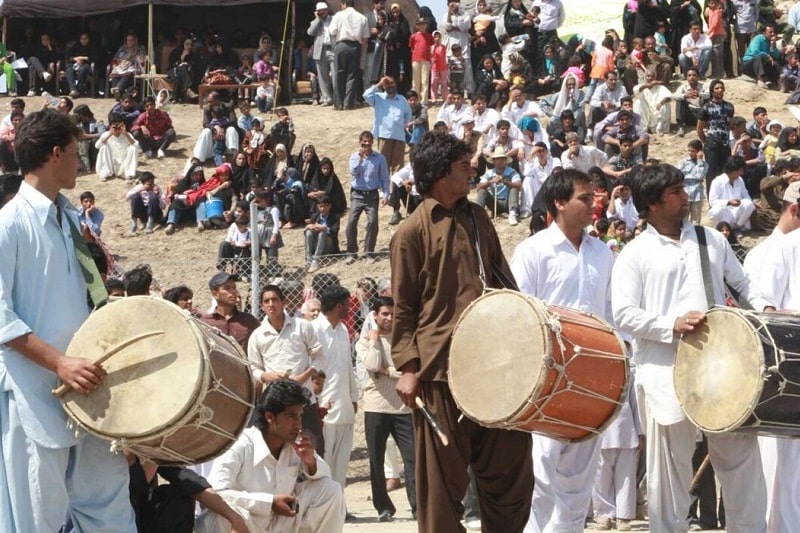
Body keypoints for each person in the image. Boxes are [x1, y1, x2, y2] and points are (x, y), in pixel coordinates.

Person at [612, 163, 768, 533]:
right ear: (652, 203)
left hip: (723, 370)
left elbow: (744, 285)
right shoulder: (635, 253)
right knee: (668, 473)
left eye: (684, 189)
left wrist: (766, 308)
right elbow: (623, 314)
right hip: (665, 373)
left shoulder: (710, 239)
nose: (686, 197)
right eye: (676, 192)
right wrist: (671, 325)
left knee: (742, 462)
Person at [0, 108, 136, 532]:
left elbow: (90, 296)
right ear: (55, 154)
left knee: (111, 512)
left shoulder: (71, 219)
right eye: (77, 152)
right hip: (34, 396)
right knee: (35, 519)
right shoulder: (8, 225)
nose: (81, 161)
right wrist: (60, 363)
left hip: (89, 390)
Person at [390, 131, 534, 532]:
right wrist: (408, 368)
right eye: (462, 165)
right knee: (441, 486)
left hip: (495, 365)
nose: (473, 169)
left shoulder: (479, 218)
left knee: (512, 471)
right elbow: (404, 308)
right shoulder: (411, 232)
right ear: (440, 174)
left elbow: (504, 282)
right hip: (439, 371)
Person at [509, 168, 614, 533]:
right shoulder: (533, 251)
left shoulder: (602, 253)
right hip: (546, 380)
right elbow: (519, 313)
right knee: (541, 474)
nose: (594, 204)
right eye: (584, 198)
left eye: (594, 196)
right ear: (559, 202)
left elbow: (611, 313)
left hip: (593, 378)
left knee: (578, 481)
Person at [196, 379, 346, 532]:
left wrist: (310, 461)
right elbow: (216, 494)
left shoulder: (294, 446)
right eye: (292, 416)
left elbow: (325, 479)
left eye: (300, 416)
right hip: (246, 525)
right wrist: (269, 503)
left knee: (331, 490)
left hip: (280, 525)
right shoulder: (242, 444)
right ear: (270, 417)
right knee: (220, 516)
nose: (298, 424)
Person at [355, 295, 416, 522]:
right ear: (375, 315)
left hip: (403, 409)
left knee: (412, 458)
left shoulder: (403, 341)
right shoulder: (364, 342)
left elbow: (408, 371)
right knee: (376, 460)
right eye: (384, 314)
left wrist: (388, 371)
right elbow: (372, 364)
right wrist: (374, 340)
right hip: (376, 407)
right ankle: (384, 507)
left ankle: (417, 505)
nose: (389, 318)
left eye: (392, 314)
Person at [247, 284, 326, 456]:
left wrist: (304, 377)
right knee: (276, 453)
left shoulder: (302, 327)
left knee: (314, 450)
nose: (271, 304)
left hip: (305, 400)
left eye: (274, 299)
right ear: (261, 306)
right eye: (266, 301)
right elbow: (253, 368)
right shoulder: (257, 335)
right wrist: (267, 376)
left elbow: (319, 357)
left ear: (283, 302)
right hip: (276, 405)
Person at [311, 285, 357, 518]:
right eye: (347, 304)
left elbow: (347, 365)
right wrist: (317, 401)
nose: (350, 308)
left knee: (341, 460)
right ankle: (323, 510)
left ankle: (339, 507)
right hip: (324, 407)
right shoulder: (314, 330)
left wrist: (353, 396)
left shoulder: (342, 330)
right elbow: (313, 370)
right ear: (338, 305)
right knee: (325, 460)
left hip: (344, 404)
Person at [345, 130, 390, 264]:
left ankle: (369, 252)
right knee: (351, 222)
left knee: (373, 223)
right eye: (364, 142)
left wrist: (386, 194)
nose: (367, 145)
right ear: (360, 143)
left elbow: (385, 178)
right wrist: (360, 158)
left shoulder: (380, 158)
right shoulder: (354, 157)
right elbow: (354, 172)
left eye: (369, 142)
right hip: (357, 194)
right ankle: (352, 252)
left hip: (372, 195)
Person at [199, 271, 261, 351]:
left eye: (234, 287)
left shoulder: (249, 321)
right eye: (227, 288)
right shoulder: (204, 323)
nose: (233, 291)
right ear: (215, 294)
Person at [363, 76, 411, 173]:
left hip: (399, 137)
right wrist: (380, 84)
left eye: (392, 83)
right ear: (384, 86)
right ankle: (384, 184)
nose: (390, 86)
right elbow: (366, 95)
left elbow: (408, 115)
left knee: (398, 167)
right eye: (387, 84)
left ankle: (395, 184)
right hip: (384, 136)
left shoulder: (402, 99)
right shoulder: (378, 98)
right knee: (383, 166)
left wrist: (401, 125)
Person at [329, 0, 369, 110]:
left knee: (339, 74)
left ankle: (338, 103)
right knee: (352, 75)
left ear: (344, 4)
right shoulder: (362, 17)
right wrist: (362, 53)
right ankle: (348, 103)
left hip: (341, 45)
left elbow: (332, 31)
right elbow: (365, 38)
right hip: (355, 46)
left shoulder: (338, 15)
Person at [697, 79, 734, 193]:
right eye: (717, 88)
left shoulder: (729, 106)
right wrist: (707, 142)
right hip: (712, 142)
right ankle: (711, 199)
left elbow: (731, 125)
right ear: (712, 91)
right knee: (711, 173)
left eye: (721, 88)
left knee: (725, 172)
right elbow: (699, 128)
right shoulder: (706, 107)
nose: (720, 90)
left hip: (725, 143)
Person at [476, 146, 523, 224]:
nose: (500, 161)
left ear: (505, 160)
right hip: (494, 202)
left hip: (508, 201)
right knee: (482, 191)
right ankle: (477, 215)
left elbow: (519, 186)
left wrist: (505, 182)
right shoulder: (489, 173)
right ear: (494, 161)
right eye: (497, 159)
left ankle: (513, 213)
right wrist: (490, 182)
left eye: (502, 158)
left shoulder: (512, 172)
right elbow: (479, 187)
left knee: (514, 189)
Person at [708, 155, 756, 231]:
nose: (742, 173)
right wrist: (729, 202)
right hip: (725, 213)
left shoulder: (740, 180)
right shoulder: (717, 181)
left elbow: (746, 195)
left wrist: (753, 203)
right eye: (741, 170)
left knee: (749, 204)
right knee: (715, 211)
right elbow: (712, 201)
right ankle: (723, 229)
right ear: (734, 171)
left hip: (738, 214)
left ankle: (737, 228)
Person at [194, 92, 240, 164]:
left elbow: (233, 121)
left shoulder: (228, 106)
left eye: (211, 101)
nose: (209, 103)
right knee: (206, 131)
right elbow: (205, 124)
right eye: (208, 101)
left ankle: (232, 154)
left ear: (217, 100)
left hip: (226, 132)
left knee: (231, 130)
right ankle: (199, 157)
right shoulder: (207, 108)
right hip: (213, 134)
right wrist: (216, 127)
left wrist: (222, 129)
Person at [95, 112, 138, 181]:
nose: (117, 128)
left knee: (132, 148)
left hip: (123, 165)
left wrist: (126, 134)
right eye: (114, 126)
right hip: (111, 164)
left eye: (118, 125)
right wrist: (110, 134)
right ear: (110, 126)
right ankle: (105, 173)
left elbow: (136, 146)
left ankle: (129, 174)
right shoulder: (106, 134)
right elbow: (97, 146)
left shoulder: (127, 134)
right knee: (104, 147)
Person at [131, 96, 176, 160]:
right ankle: (147, 150)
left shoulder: (162, 114)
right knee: (136, 133)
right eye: (147, 106)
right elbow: (133, 127)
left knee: (172, 132)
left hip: (161, 140)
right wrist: (141, 127)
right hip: (149, 140)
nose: (150, 107)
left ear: (154, 105)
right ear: (145, 107)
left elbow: (170, 126)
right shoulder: (142, 116)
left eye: (151, 104)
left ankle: (161, 149)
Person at [308, 1, 336, 107]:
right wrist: (317, 19)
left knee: (335, 74)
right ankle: (327, 98)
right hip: (320, 51)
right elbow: (310, 32)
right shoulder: (315, 22)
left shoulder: (334, 19)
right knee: (323, 76)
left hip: (332, 49)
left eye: (323, 10)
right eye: (319, 11)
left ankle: (336, 97)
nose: (322, 13)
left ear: (327, 10)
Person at [676, 139, 708, 224]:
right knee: (683, 219)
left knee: (696, 220)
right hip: (685, 192)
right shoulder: (683, 162)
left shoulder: (704, 164)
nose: (690, 153)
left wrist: (699, 161)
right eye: (689, 151)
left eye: (693, 151)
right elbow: (679, 176)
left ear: (699, 152)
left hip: (697, 194)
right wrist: (693, 177)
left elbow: (700, 175)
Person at [305, 195, 340, 272]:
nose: (323, 208)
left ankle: (316, 260)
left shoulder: (335, 217)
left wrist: (324, 228)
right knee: (308, 232)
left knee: (322, 232)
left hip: (329, 246)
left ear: (330, 206)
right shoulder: (315, 216)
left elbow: (334, 232)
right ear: (317, 207)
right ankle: (308, 259)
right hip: (317, 244)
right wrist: (309, 227)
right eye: (320, 206)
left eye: (325, 206)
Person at [741, 24, 781, 88]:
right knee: (758, 57)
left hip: (761, 65)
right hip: (749, 64)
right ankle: (760, 80)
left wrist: (773, 46)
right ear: (764, 33)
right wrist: (767, 55)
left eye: (773, 32)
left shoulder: (771, 41)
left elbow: (776, 56)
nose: (773, 34)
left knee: (776, 63)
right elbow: (755, 52)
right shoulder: (757, 39)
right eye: (770, 32)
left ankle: (777, 83)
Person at [672, 68, 708, 137]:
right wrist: (685, 95)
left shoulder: (704, 86)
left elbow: (711, 94)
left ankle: (709, 126)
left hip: (702, 116)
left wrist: (700, 94)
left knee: (708, 100)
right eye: (689, 75)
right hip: (689, 115)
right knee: (680, 100)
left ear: (698, 77)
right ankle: (680, 127)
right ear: (686, 77)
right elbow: (674, 96)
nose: (692, 77)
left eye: (694, 75)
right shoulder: (683, 87)